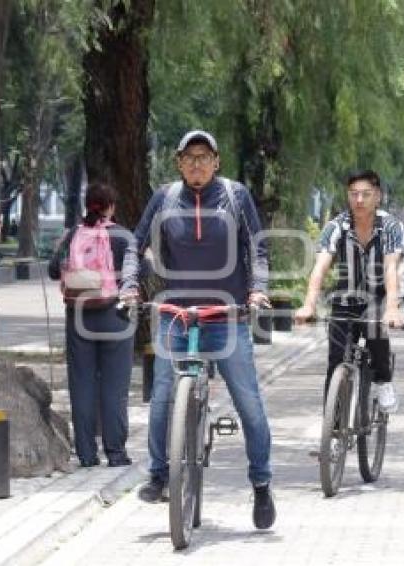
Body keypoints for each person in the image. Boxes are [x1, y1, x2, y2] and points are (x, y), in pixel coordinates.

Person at [120, 130, 276, 530]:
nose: (196, 163)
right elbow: (134, 246)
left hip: (228, 316)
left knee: (249, 403)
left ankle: (261, 482)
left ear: (216, 161)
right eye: (188, 157)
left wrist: (258, 291)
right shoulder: (165, 197)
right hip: (176, 313)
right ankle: (158, 474)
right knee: (162, 395)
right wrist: (129, 286)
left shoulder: (236, 196)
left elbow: (257, 249)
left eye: (203, 156)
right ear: (178, 163)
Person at [294, 169, 404, 413]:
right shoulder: (336, 227)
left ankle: (383, 382)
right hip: (345, 297)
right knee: (335, 360)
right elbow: (320, 268)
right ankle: (333, 430)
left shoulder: (391, 226)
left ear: (377, 196)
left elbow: (391, 268)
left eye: (365, 194)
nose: (359, 200)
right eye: (354, 194)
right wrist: (309, 305)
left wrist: (392, 308)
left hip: (379, 296)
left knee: (374, 326)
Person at [49, 183, 134, 468]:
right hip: (116, 318)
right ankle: (116, 453)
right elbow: (143, 273)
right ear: (110, 207)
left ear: (88, 204)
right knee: (114, 386)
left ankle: (86, 454)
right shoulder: (123, 236)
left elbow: (52, 270)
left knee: (82, 384)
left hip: (79, 317)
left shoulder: (73, 234)